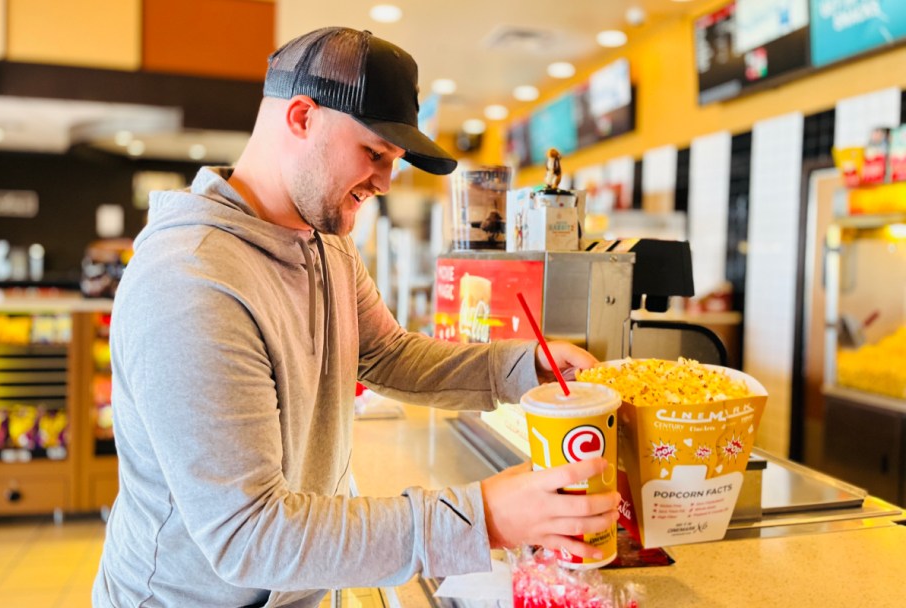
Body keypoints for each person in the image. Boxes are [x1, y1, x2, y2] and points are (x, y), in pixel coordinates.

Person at [93, 27, 620, 608]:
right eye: (374, 154)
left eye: (393, 161)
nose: (386, 183)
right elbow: (247, 536)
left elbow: (385, 353)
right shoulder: (190, 282)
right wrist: (483, 518)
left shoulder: (324, 239)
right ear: (301, 117)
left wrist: (521, 369)